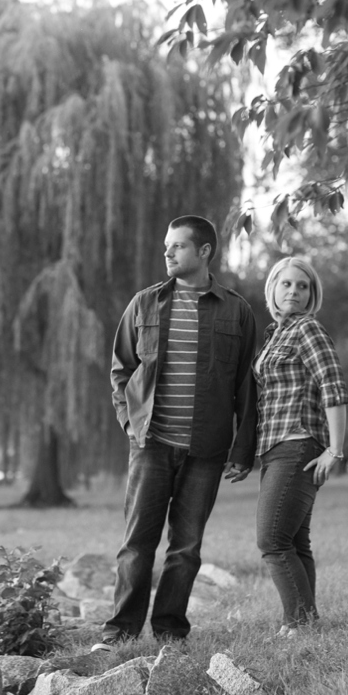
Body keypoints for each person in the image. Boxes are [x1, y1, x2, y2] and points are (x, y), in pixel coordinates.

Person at [94, 215, 257, 649]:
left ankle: (170, 631)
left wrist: (244, 449)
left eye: (178, 246)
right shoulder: (143, 304)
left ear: (204, 252)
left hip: (206, 448)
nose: (167, 253)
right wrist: (131, 423)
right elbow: (120, 371)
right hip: (150, 444)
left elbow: (246, 385)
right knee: (137, 543)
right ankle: (119, 632)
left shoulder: (236, 310)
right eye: (167, 245)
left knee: (186, 548)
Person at [225, 255, 348, 636]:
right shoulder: (275, 334)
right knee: (295, 540)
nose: (294, 291)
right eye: (287, 284)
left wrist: (335, 450)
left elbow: (334, 388)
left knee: (272, 540)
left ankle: (297, 624)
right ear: (273, 290)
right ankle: (307, 623)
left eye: (303, 285)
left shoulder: (308, 329)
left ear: (312, 294)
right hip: (275, 448)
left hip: (298, 445)